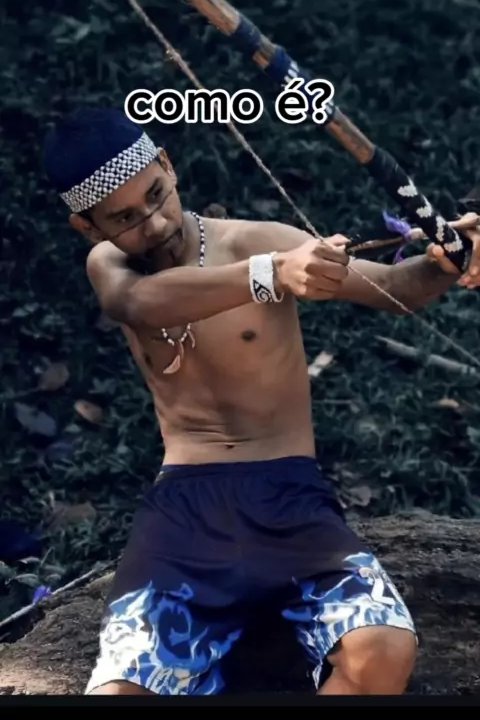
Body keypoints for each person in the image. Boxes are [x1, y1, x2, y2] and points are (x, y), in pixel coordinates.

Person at [44, 108, 480, 697]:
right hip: (185, 506)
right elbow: (138, 303)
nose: (155, 222)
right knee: (120, 692)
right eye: (124, 217)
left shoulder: (255, 239)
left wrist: (448, 257)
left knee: (383, 651)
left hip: (288, 492)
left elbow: (395, 288)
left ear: (168, 166)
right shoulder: (111, 265)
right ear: (87, 227)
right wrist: (271, 274)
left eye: (156, 194)